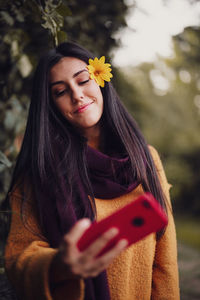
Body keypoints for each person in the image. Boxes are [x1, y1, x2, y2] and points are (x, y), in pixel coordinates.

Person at [4, 41, 180, 300]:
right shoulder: (39, 172)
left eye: (83, 80)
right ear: (51, 106)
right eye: (61, 91)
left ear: (100, 79)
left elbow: (165, 263)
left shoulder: (145, 158)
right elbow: (18, 259)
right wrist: (60, 265)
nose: (77, 95)